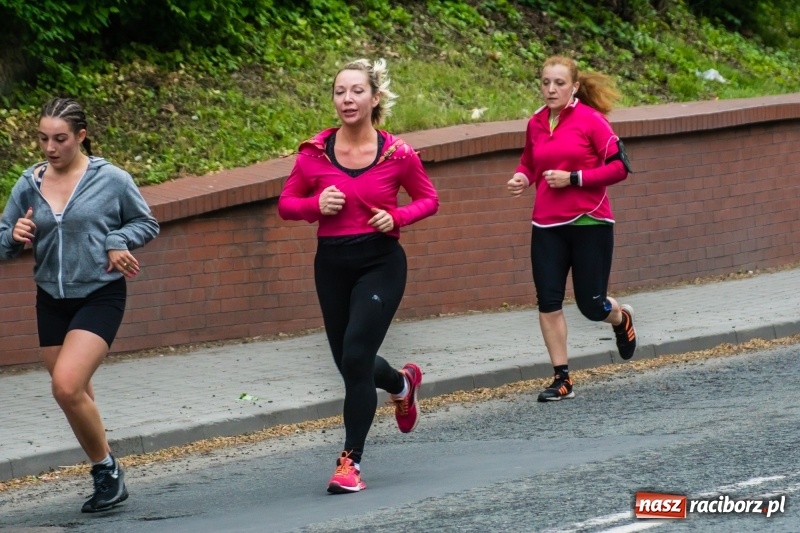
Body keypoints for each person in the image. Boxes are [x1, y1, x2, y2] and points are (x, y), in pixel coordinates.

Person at [278, 58, 438, 493]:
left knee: (354, 357)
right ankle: (401, 383)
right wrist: (315, 207)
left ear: (375, 97)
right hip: (331, 265)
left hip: (380, 263)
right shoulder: (313, 153)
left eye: (356, 91)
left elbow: (428, 199)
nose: (347, 99)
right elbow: (286, 203)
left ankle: (350, 464)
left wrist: (397, 216)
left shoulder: (397, 153)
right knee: (352, 365)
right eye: (339, 92)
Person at [0, 97, 160, 512]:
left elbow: (145, 222)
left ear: (81, 137)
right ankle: (107, 471)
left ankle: (105, 471)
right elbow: (3, 240)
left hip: (99, 293)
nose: (50, 148)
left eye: (60, 139)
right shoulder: (28, 183)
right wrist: (13, 236)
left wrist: (115, 240)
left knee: (66, 386)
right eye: (42, 139)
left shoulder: (111, 179)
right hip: (50, 299)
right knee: (77, 395)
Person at [507, 55, 637, 402]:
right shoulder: (536, 122)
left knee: (590, 305)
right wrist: (524, 176)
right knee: (547, 301)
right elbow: (531, 160)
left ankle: (620, 317)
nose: (551, 89)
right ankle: (561, 379)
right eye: (546, 82)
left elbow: (620, 168)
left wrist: (573, 178)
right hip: (546, 224)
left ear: (574, 87)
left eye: (559, 83)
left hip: (589, 220)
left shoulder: (591, 121)